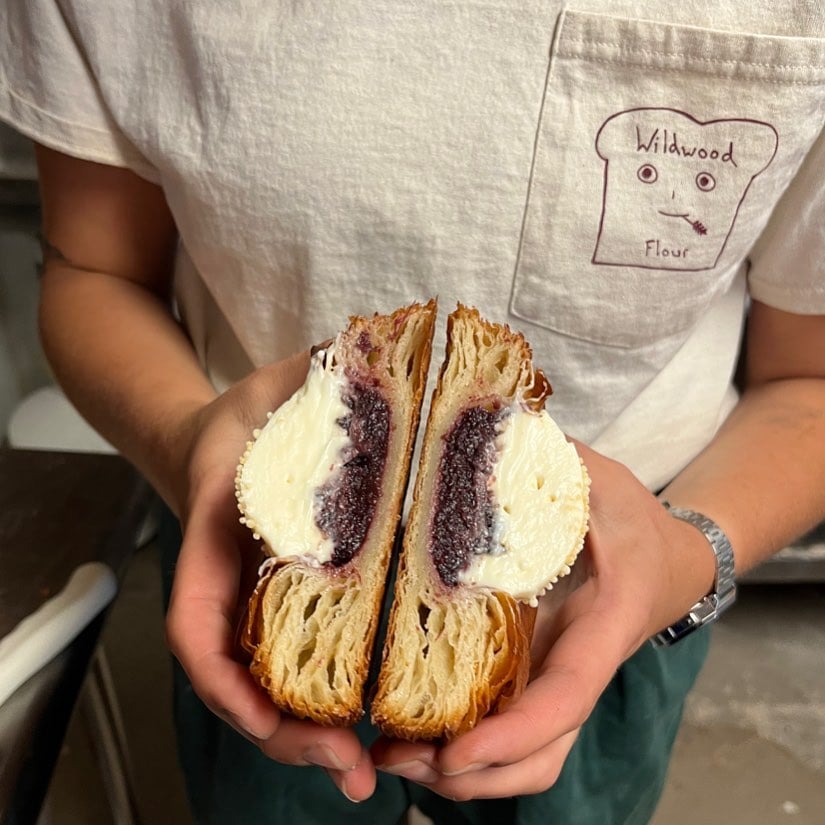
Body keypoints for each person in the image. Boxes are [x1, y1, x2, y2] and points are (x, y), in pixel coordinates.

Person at [2, 2, 824, 823]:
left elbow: (807, 381)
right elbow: (96, 268)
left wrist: (686, 556)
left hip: (632, 576)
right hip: (241, 539)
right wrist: (186, 444)